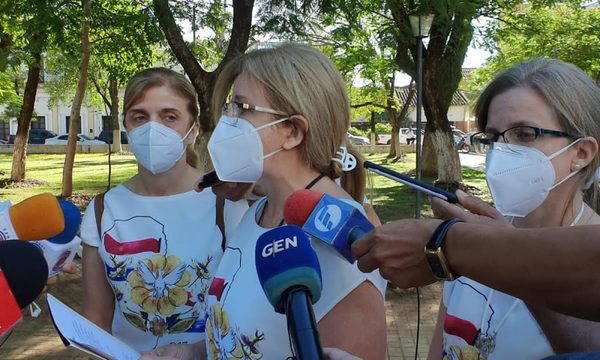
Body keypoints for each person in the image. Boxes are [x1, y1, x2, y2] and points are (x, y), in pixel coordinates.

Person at [144, 43, 387, 360]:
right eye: (230, 107)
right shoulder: (257, 213)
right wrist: (191, 353)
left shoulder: (344, 242)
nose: (227, 121)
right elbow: (249, 337)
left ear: (292, 131)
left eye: (242, 108)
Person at [358, 58, 600, 359]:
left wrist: (503, 253)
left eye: (523, 134)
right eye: (491, 138)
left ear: (581, 152)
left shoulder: (589, 262)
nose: (499, 153)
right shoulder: (467, 242)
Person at [79, 68, 248, 352]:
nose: (152, 128)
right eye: (140, 117)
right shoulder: (102, 211)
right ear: (126, 127)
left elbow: (244, 313)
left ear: (192, 129)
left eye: (169, 117)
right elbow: (96, 318)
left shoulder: (225, 203)